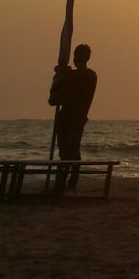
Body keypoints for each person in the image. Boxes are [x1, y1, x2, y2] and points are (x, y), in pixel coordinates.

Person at [50, 43, 97, 189]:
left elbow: (55, 97)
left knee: (66, 152)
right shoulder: (90, 76)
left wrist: (61, 74)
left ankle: (63, 181)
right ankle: (71, 181)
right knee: (73, 151)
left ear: (76, 58)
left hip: (68, 119)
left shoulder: (79, 76)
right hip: (78, 119)